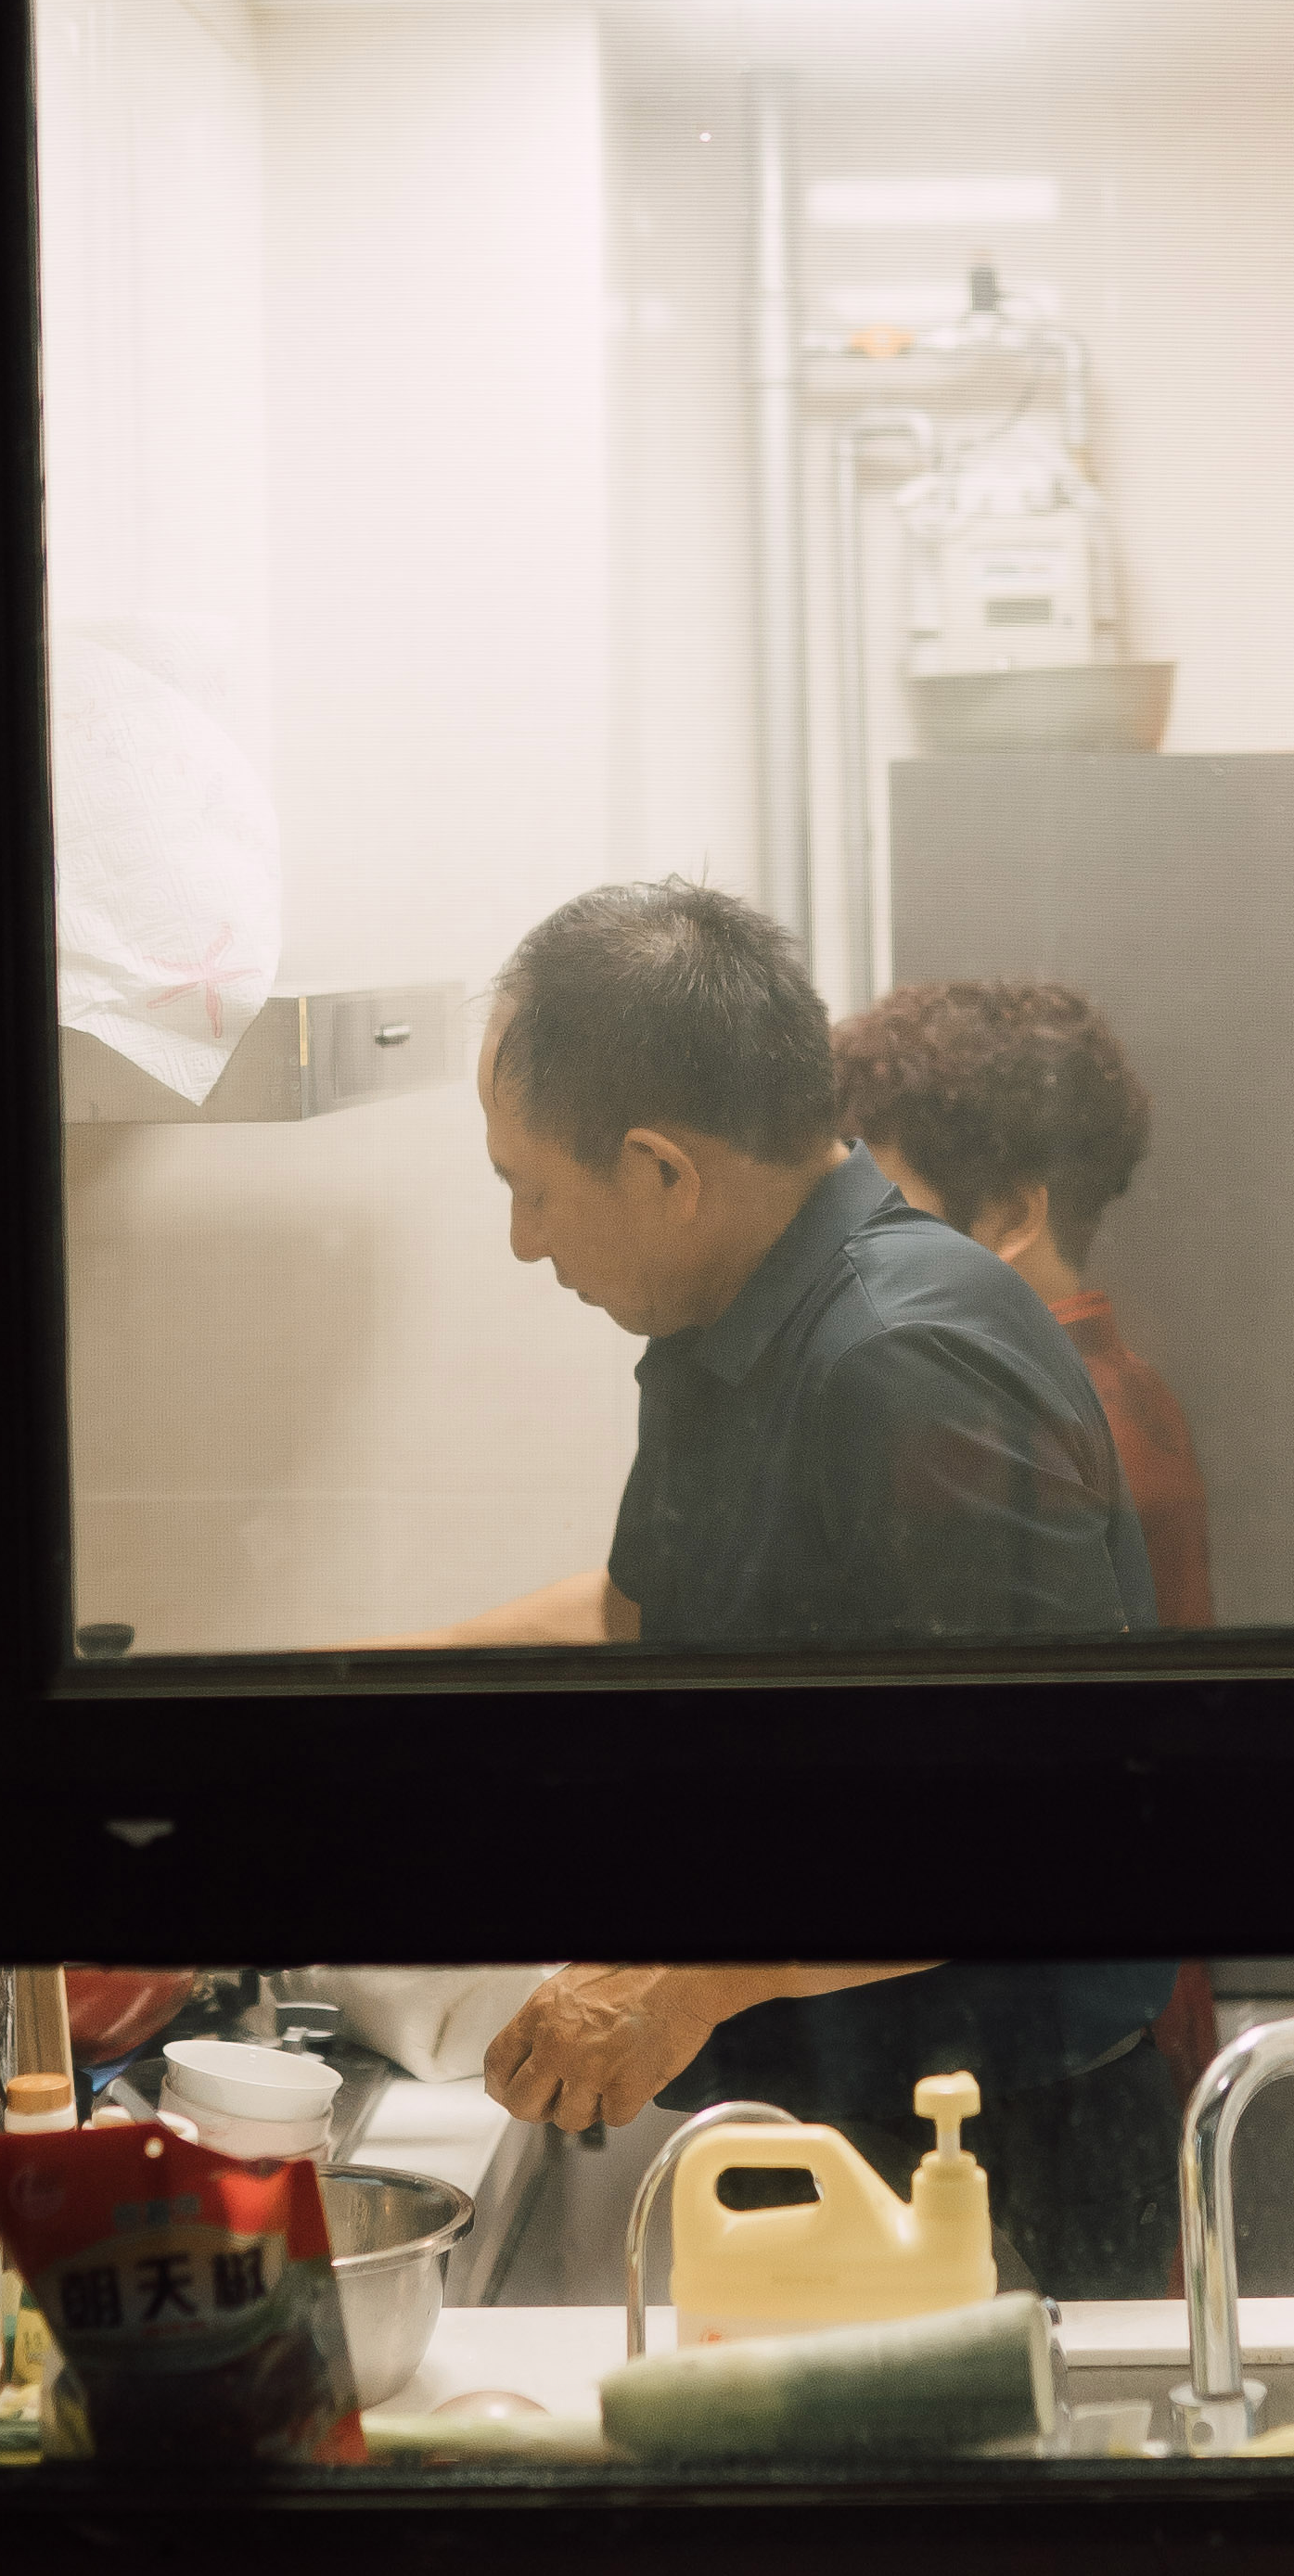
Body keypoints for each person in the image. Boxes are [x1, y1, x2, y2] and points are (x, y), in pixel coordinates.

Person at [418, 879, 1182, 2298]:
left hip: (992, 2155)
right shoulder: (727, 1325)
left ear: (662, 1168)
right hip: (832, 2114)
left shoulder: (902, 1360)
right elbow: (643, 1615)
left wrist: (688, 1975)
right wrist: (355, 1685)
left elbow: (1031, 1819)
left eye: (532, 1187)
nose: (525, 1239)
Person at [827, 974, 1216, 1632]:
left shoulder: (983, 1423)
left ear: (1009, 1218)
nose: (850, 1233)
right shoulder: (1137, 1394)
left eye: (884, 1208)